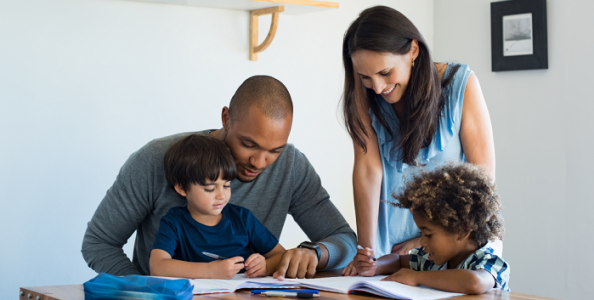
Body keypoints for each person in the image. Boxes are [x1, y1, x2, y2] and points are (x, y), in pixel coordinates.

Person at [82, 75, 356, 279]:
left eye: (274, 150)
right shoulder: (156, 159)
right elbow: (99, 243)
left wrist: (315, 252)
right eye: (249, 144)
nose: (259, 163)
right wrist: (146, 291)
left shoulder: (291, 165)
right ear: (226, 118)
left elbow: (344, 239)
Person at [339, 6, 497, 275]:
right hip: (387, 253)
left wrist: (423, 241)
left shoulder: (461, 84)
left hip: (452, 249)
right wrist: (366, 251)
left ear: (413, 50)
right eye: (366, 77)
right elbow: (368, 171)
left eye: (385, 73)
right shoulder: (364, 96)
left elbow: (481, 183)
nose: (377, 87)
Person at [353, 163, 510, 294]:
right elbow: (398, 261)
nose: (422, 242)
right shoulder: (432, 259)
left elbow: (473, 282)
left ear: (463, 230)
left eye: (428, 234)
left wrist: (416, 277)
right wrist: (375, 266)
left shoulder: (489, 261)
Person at [150, 134, 285, 279]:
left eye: (227, 185)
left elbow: (281, 255)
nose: (221, 195)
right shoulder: (174, 222)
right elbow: (158, 266)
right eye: (210, 188)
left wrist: (265, 266)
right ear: (182, 188)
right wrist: (210, 271)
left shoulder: (243, 218)